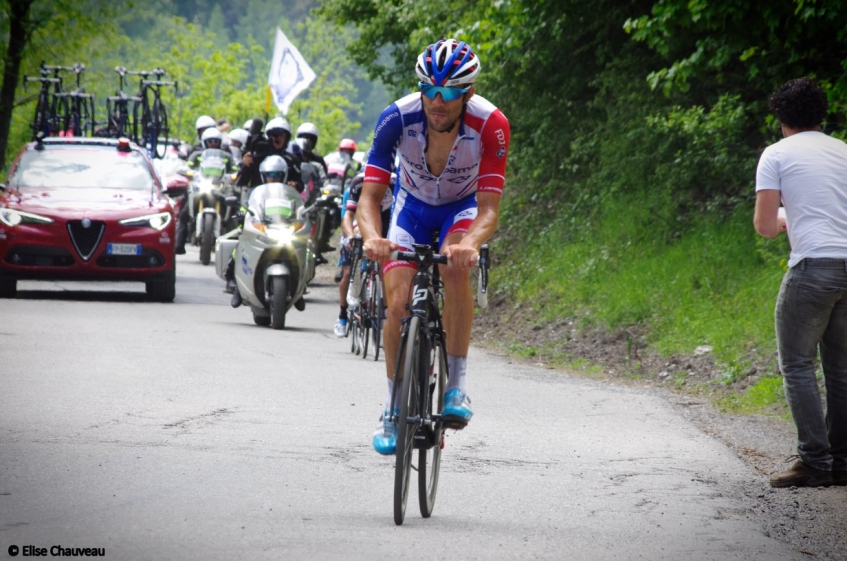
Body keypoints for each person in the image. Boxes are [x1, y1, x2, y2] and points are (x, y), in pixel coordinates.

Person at [358, 39, 510, 454]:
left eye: (448, 93)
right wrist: (373, 237)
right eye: (429, 90)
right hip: (410, 209)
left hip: (459, 210)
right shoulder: (396, 118)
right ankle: (392, 408)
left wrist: (472, 244)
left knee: (454, 267)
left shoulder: (492, 125)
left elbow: (488, 210)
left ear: (469, 94)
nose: (437, 102)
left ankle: (456, 388)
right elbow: (371, 198)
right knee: (397, 303)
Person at [754, 76, 847, 488]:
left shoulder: (775, 155)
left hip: (812, 269)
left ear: (781, 118)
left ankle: (813, 460)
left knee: (797, 363)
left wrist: (785, 218)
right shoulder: (843, 151)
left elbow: (765, 227)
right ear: (821, 115)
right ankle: (842, 461)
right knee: (841, 369)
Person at [228, 154, 302, 307]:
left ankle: (301, 287)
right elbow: (246, 207)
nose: (273, 178)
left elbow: (300, 210)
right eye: (270, 175)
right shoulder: (255, 193)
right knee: (239, 247)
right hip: (263, 230)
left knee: (306, 251)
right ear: (263, 176)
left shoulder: (289, 193)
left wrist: (304, 213)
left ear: (284, 175)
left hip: (283, 230)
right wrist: (241, 214)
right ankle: (237, 286)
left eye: (277, 175)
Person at [333, 171, 394, 337]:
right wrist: (350, 237)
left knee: (385, 269)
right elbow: (348, 216)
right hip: (358, 221)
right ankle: (343, 314)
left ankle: (386, 315)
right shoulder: (359, 182)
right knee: (347, 272)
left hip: (385, 219)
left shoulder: (395, 183)